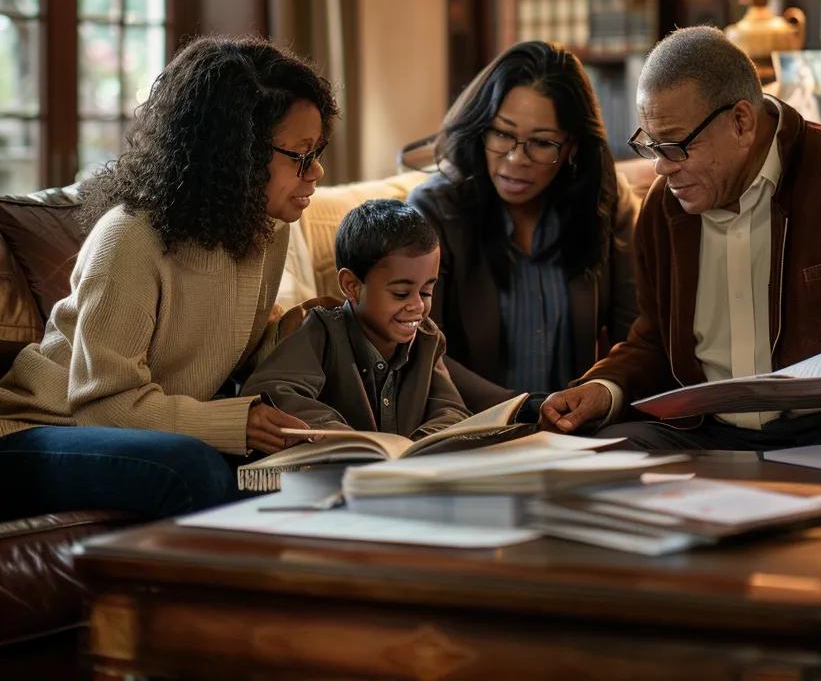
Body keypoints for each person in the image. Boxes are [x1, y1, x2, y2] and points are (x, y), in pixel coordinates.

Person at [540, 25, 821, 450]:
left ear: (742, 122)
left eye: (676, 145)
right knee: (590, 460)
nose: (661, 167)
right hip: (704, 432)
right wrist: (603, 390)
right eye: (649, 145)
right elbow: (656, 342)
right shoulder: (665, 208)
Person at [0, 36, 338, 520]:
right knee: (193, 470)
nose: (317, 172)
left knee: (306, 474)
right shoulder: (130, 238)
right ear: (235, 153)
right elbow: (102, 405)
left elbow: (218, 352)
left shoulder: (266, 229)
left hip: (137, 433)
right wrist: (234, 425)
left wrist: (299, 335)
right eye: (301, 156)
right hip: (40, 430)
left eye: (317, 150)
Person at [408, 41, 639, 413]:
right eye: (502, 133)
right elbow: (420, 352)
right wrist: (527, 409)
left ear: (572, 148)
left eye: (542, 142)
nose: (516, 159)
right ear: (480, 128)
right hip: (471, 427)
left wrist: (601, 393)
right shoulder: (432, 211)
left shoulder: (608, 205)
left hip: (581, 429)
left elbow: (637, 338)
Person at [241, 199, 469, 436]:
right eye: (401, 294)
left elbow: (452, 410)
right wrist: (350, 438)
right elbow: (272, 392)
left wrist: (420, 444)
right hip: (335, 469)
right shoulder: (320, 329)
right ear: (352, 286)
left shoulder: (427, 340)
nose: (418, 306)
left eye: (426, 291)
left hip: (407, 469)